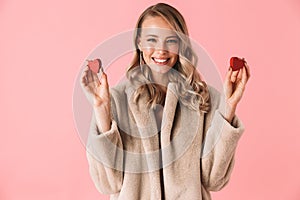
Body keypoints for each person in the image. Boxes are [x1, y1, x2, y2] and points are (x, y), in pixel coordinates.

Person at [80, 3, 250, 200]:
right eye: (152, 39)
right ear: (139, 43)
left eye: (171, 40)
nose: (161, 50)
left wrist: (228, 107)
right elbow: (108, 184)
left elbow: (214, 180)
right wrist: (101, 109)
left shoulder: (204, 99)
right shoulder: (117, 100)